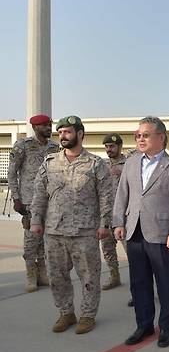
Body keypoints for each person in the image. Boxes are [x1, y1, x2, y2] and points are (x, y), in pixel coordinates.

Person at [30, 116, 113, 334]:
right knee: (57, 276)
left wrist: (105, 223)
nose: (63, 136)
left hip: (84, 231)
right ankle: (66, 312)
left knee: (89, 276)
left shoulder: (96, 164)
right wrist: (36, 220)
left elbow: (106, 196)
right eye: (61, 132)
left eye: (68, 131)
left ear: (80, 134)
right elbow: (39, 194)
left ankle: (87, 315)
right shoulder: (50, 163)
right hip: (54, 231)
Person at [113, 116, 169, 348]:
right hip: (134, 231)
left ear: (161, 137)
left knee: (166, 283)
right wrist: (118, 222)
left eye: (145, 135)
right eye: (138, 135)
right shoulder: (132, 163)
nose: (140, 139)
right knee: (139, 283)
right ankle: (144, 325)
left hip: (162, 234)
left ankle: (166, 327)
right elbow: (122, 195)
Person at [7, 114, 59, 292]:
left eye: (49, 125)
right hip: (29, 200)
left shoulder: (54, 146)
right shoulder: (22, 145)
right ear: (35, 127)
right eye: (45, 125)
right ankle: (30, 274)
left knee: (45, 237)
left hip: (50, 199)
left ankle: (43, 273)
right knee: (31, 239)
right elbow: (12, 173)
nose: (48, 128)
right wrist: (16, 198)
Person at [100, 133, 126, 290]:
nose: (109, 149)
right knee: (108, 249)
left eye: (112, 146)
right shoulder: (102, 165)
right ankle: (114, 276)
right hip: (106, 215)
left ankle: (139, 285)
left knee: (133, 252)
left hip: (124, 217)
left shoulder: (129, 164)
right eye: (107, 147)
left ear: (119, 146)